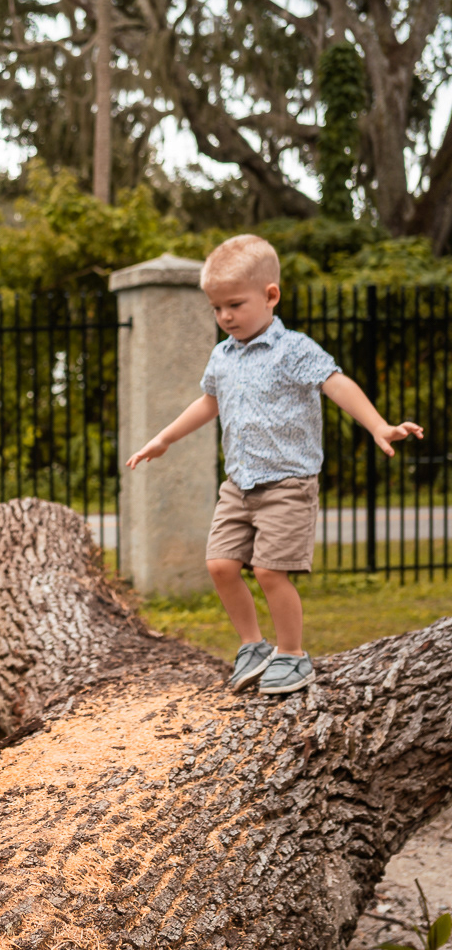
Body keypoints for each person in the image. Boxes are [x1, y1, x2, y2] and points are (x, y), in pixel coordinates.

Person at [125, 233, 422, 696]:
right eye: (217, 308)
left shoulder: (295, 349)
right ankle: (253, 645)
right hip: (238, 483)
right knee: (221, 565)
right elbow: (209, 402)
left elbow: (336, 384)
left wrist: (378, 425)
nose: (225, 317)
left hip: (288, 482)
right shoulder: (222, 355)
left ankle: (292, 654)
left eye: (235, 305)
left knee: (268, 571)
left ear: (271, 296)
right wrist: (163, 438)